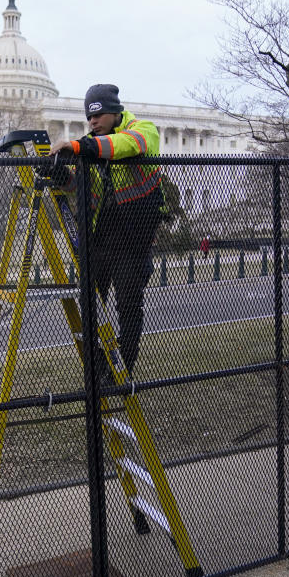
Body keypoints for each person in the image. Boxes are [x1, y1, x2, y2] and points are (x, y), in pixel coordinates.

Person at [43, 83, 166, 380]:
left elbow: (125, 146)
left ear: (114, 112)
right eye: (89, 117)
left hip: (132, 239)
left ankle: (121, 371)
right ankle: (97, 365)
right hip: (101, 238)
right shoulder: (92, 142)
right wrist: (62, 176)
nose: (93, 122)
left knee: (128, 306)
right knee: (90, 304)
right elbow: (84, 188)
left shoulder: (143, 129)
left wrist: (79, 147)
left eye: (98, 115)